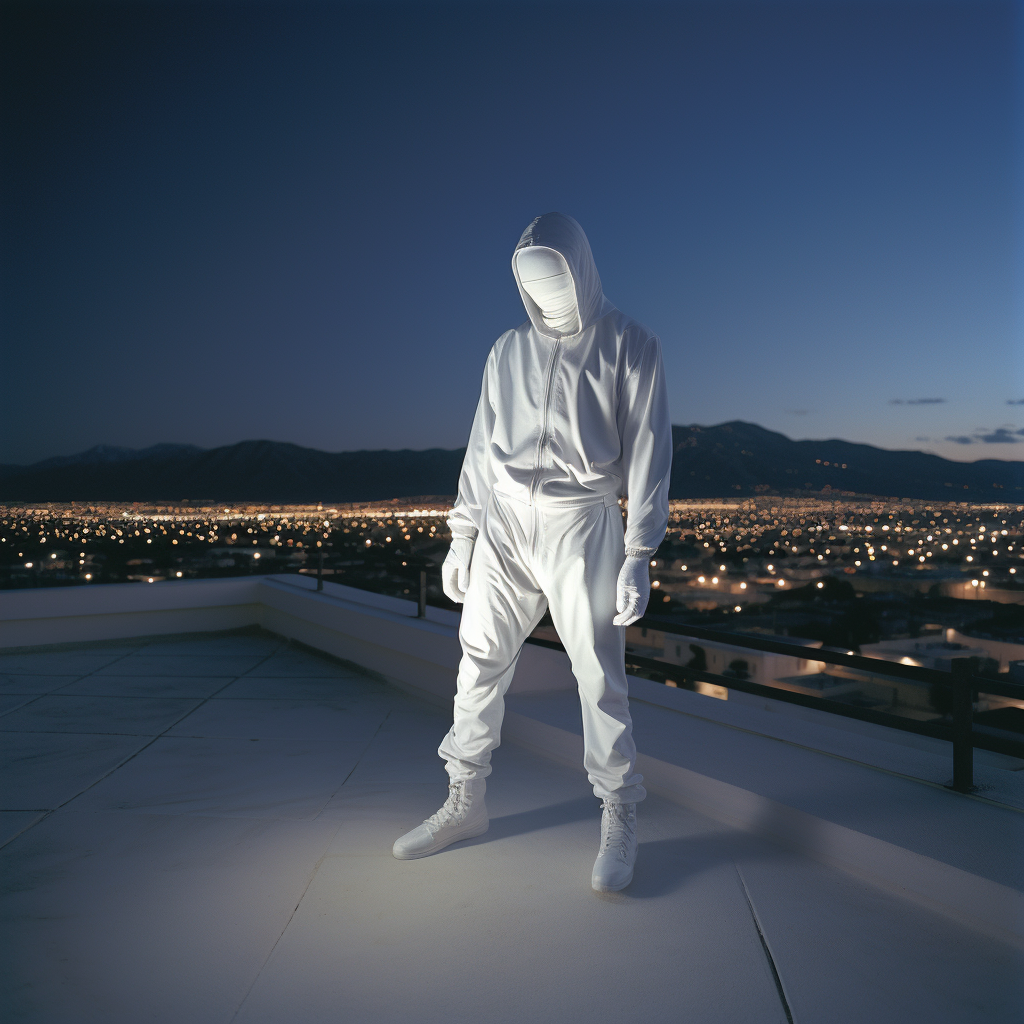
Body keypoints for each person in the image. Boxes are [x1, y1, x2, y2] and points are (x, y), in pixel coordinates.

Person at [392, 212, 671, 892]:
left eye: (556, 276)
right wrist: (463, 532)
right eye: (531, 281)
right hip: (506, 526)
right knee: (477, 664)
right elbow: (481, 446)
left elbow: (650, 455)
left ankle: (618, 811)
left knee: (598, 676)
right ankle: (466, 799)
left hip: (583, 522)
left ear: (581, 271)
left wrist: (640, 550)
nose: (547, 292)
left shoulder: (630, 344)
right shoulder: (506, 351)